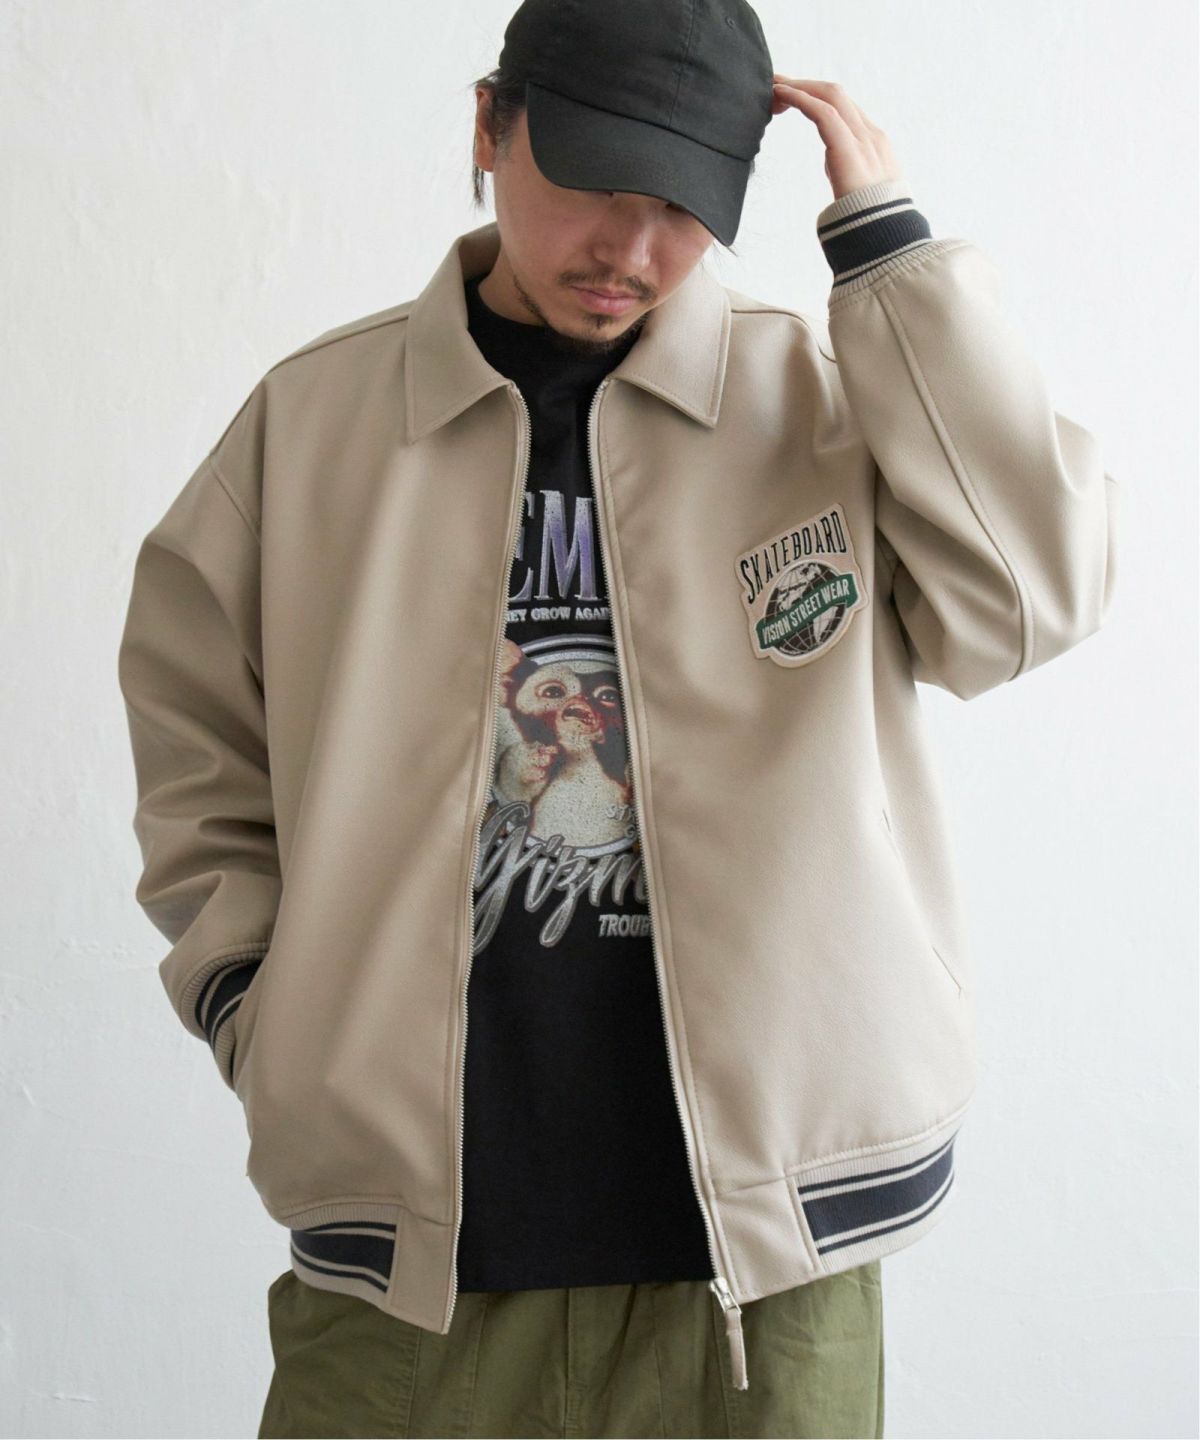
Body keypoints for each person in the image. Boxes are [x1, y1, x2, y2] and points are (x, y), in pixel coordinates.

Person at [116, 1, 1119, 1436]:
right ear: (489, 125)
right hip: (410, 1274)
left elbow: (1029, 602)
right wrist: (258, 1006)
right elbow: (195, 740)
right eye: (595, 181)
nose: (631, 250)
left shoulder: (823, 402)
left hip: (765, 1272)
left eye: (685, 205)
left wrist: (892, 257)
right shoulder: (315, 424)